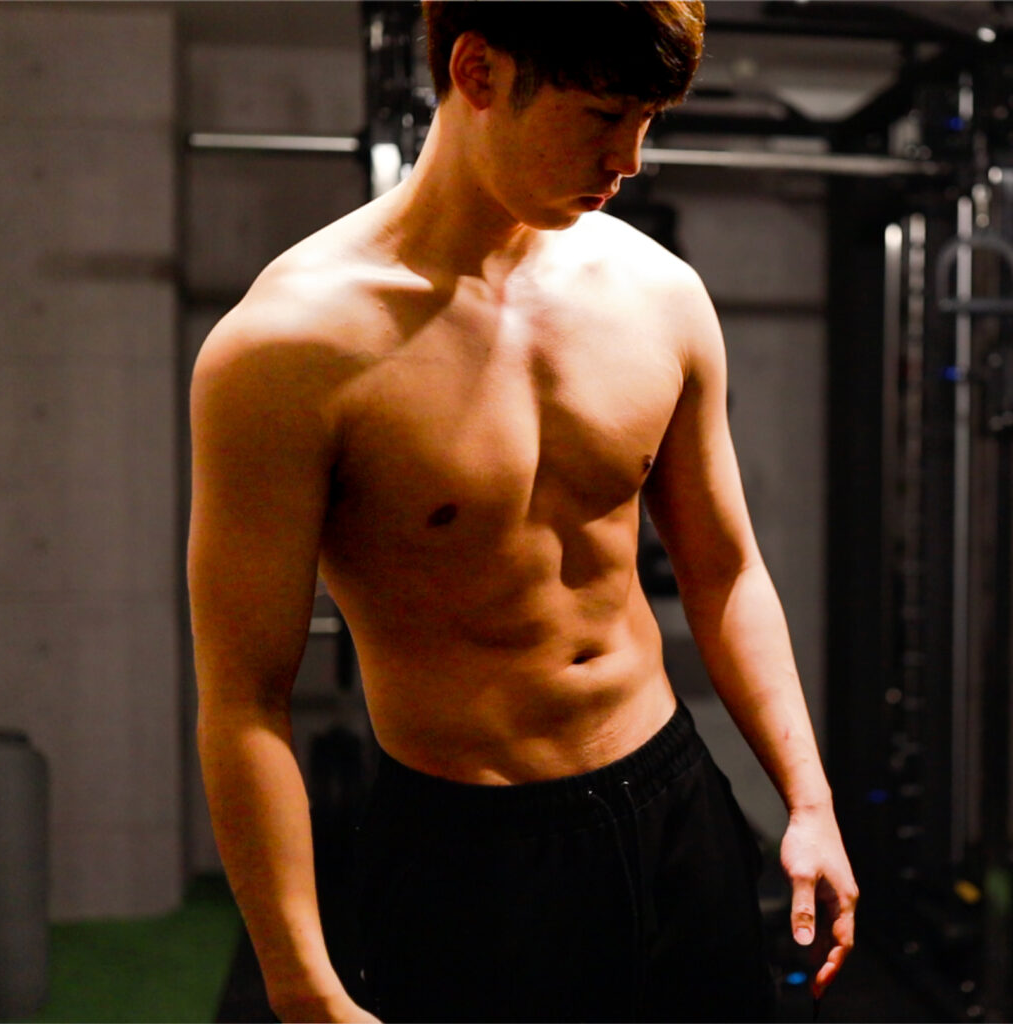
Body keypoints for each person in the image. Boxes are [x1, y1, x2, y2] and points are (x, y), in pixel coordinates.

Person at [187, 2, 858, 1021]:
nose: (630, 160)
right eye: (603, 116)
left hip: (674, 802)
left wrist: (807, 798)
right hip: (470, 855)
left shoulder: (661, 296)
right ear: (479, 73)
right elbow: (243, 700)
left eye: (647, 119)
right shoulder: (287, 351)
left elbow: (724, 570)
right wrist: (300, 981)